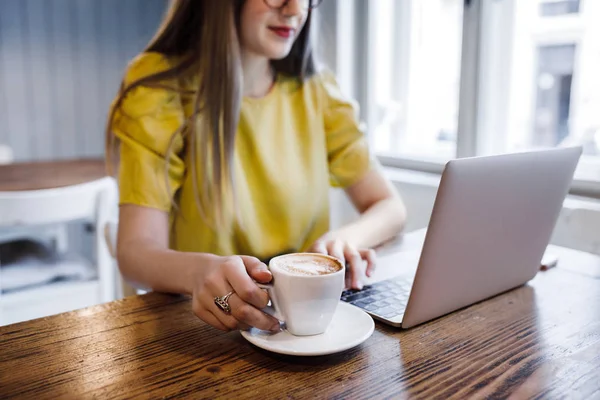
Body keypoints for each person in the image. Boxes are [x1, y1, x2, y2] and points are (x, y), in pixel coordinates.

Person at [106, 0, 406, 333]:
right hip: (205, 331)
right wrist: (198, 273)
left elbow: (390, 207)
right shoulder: (159, 90)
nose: (296, 10)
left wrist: (343, 240)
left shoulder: (317, 90)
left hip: (307, 330)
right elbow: (135, 252)